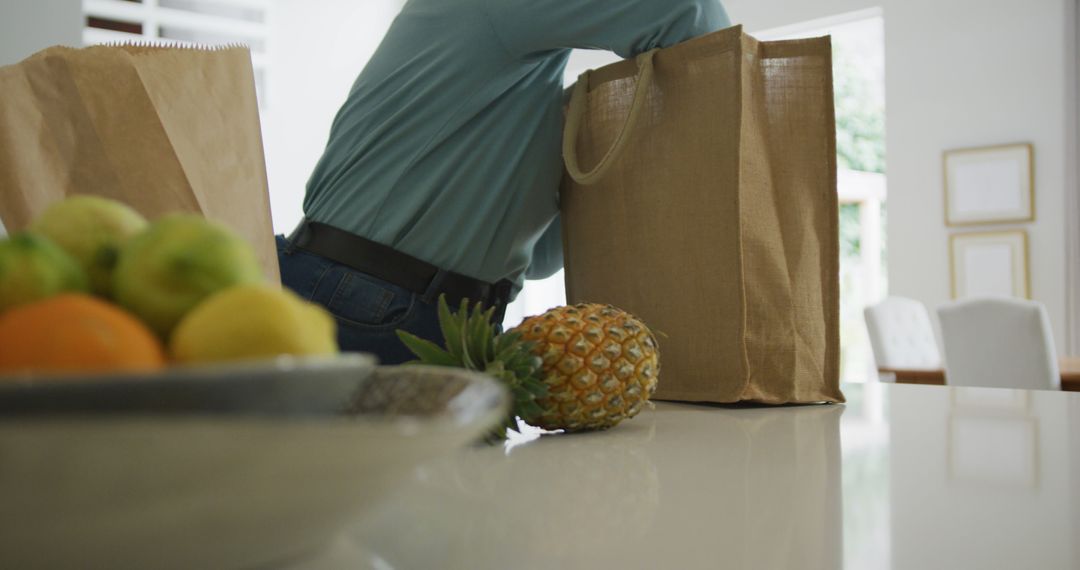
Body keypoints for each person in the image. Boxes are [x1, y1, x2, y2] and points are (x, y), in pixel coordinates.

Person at [278, 0, 731, 364]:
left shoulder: (516, 81)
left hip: (420, 311)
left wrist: (595, 125)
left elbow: (537, 260)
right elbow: (690, 14)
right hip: (366, 298)